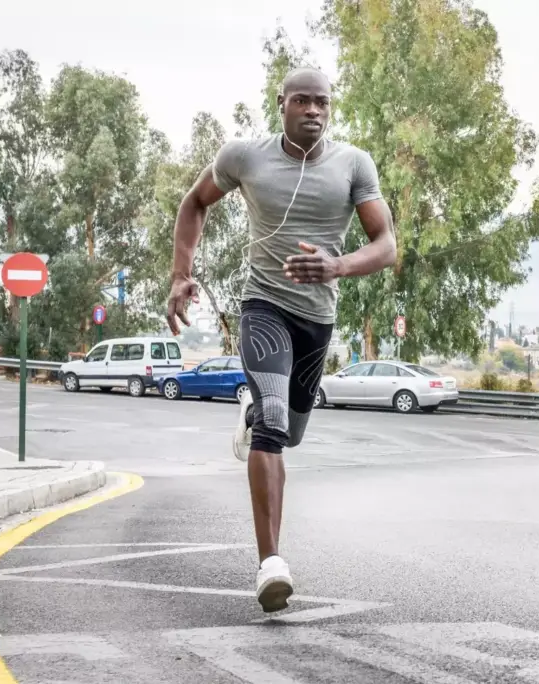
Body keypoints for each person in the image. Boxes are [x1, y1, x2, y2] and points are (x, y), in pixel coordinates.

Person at [165, 67, 396, 613]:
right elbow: (194, 202)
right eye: (302, 101)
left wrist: (337, 266)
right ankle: (271, 564)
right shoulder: (243, 156)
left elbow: (386, 244)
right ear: (281, 104)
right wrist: (181, 272)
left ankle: (255, 412)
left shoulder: (353, 164)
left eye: (322, 103)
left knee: (288, 432)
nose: (313, 111)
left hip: (316, 320)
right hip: (263, 306)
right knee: (272, 423)